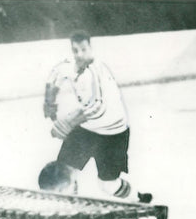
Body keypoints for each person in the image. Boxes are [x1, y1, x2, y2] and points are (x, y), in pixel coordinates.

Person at [42, 31, 151, 202]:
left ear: (91, 48)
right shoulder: (71, 65)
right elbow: (55, 75)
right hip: (87, 130)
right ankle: (71, 208)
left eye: (83, 49)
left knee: (108, 185)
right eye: (75, 50)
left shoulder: (98, 72)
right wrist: (49, 104)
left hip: (112, 134)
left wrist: (68, 123)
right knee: (65, 170)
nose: (79, 54)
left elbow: (98, 107)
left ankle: (138, 199)